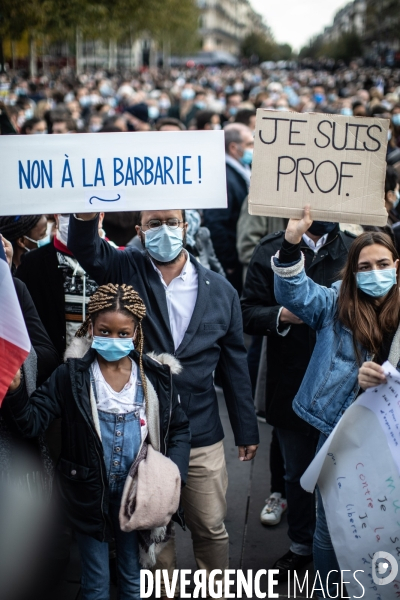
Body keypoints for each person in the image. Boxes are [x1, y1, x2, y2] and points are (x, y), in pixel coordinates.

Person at [68, 209, 259, 598]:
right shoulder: (127, 268)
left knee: (210, 524)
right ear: (139, 231)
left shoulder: (221, 291)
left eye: (171, 221)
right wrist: (85, 217)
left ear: (186, 226)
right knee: (155, 528)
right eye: (154, 223)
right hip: (146, 433)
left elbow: (235, 366)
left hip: (203, 432)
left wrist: (247, 429)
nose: (164, 230)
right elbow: (86, 251)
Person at [3, 283, 191, 600]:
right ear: (90, 327)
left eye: (123, 333)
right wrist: (16, 390)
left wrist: (174, 477)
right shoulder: (71, 377)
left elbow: (180, 428)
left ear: (136, 332)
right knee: (95, 583)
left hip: (139, 494)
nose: (114, 340)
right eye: (105, 331)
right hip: (88, 493)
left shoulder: (155, 377)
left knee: (133, 578)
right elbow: (31, 422)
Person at [271, 207, 400, 598]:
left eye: (382, 264)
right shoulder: (333, 305)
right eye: (364, 266)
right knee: (330, 528)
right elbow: (292, 292)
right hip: (339, 434)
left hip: (392, 440)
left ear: (397, 265)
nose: (374, 273)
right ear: (352, 271)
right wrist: (292, 242)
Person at [241, 217, 355, 580]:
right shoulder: (272, 248)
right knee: (297, 471)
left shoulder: (354, 248)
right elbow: (247, 312)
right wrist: (285, 314)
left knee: (340, 473)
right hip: (290, 376)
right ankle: (302, 545)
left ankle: (341, 546)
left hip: (344, 382)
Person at [16, 213, 114, 362]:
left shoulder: (119, 260)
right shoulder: (33, 264)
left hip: (105, 369)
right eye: (67, 214)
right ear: (56, 217)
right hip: (54, 375)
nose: (76, 219)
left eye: (82, 212)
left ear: (100, 216)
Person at [203, 123, 253, 293]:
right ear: (233, 147)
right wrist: (229, 261)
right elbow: (216, 222)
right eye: (249, 144)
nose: (253, 149)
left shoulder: (242, 169)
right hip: (231, 260)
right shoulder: (223, 176)